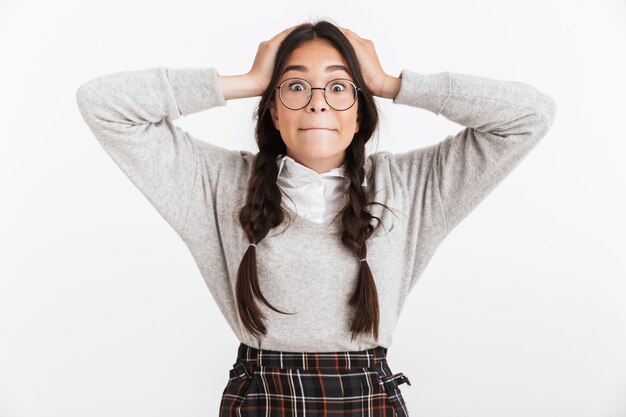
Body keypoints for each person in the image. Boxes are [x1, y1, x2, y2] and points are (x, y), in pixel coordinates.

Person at [76, 19, 556, 417]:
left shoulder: (411, 186)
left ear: (360, 112)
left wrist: (394, 83)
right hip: (261, 400)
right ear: (273, 111)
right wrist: (245, 80)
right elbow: (103, 105)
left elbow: (530, 115)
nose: (318, 101)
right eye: (296, 85)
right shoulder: (217, 184)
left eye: (339, 86)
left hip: (368, 401)